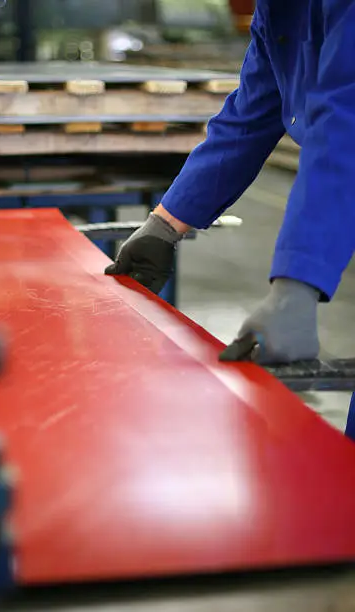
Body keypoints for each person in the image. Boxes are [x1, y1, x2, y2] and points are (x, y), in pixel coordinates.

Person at [104, 0, 355, 440]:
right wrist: (165, 224)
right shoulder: (278, 11)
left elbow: (346, 126)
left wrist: (297, 284)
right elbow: (249, 114)